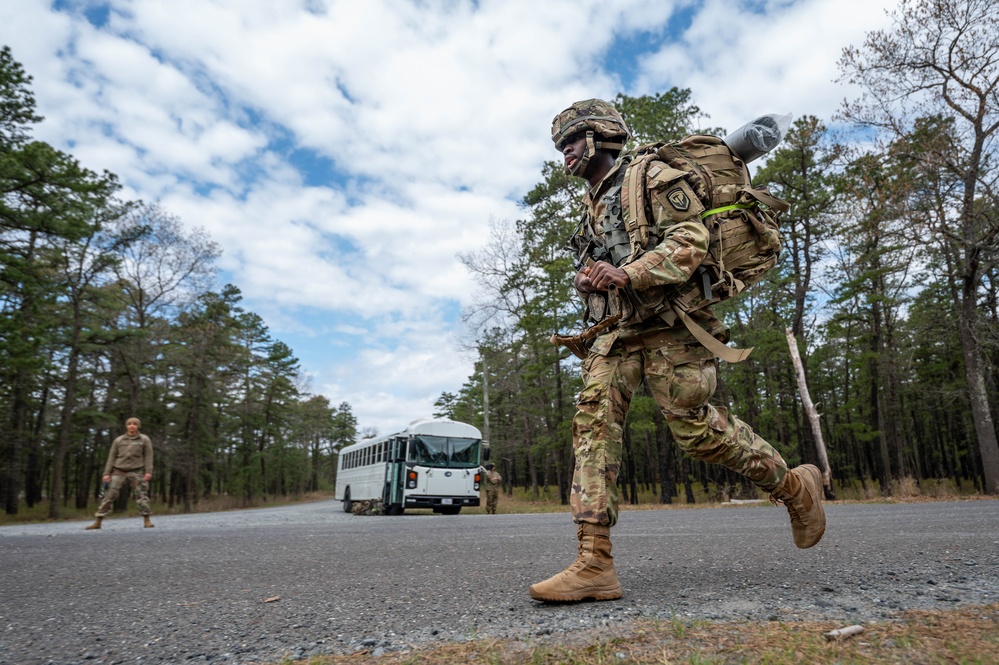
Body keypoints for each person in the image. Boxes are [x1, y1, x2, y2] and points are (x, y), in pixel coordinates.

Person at [529, 99, 825, 603]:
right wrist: (592, 281)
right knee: (593, 427)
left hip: (673, 325)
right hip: (619, 329)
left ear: (601, 136)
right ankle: (594, 561)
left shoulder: (652, 176)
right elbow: (609, 269)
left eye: (572, 142)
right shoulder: (593, 205)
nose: (565, 154)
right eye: (561, 147)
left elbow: (690, 241)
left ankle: (795, 488)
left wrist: (628, 273)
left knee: (697, 433)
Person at [85, 417, 155, 529]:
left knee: (142, 496)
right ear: (126, 426)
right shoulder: (119, 440)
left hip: (137, 471)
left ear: (138, 426)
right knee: (109, 495)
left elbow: (148, 456)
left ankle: (147, 520)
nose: (132, 426)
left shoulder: (144, 439)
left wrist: (148, 472)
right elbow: (111, 457)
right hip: (119, 471)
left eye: (134, 424)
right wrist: (106, 473)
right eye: (129, 424)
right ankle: (98, 521)